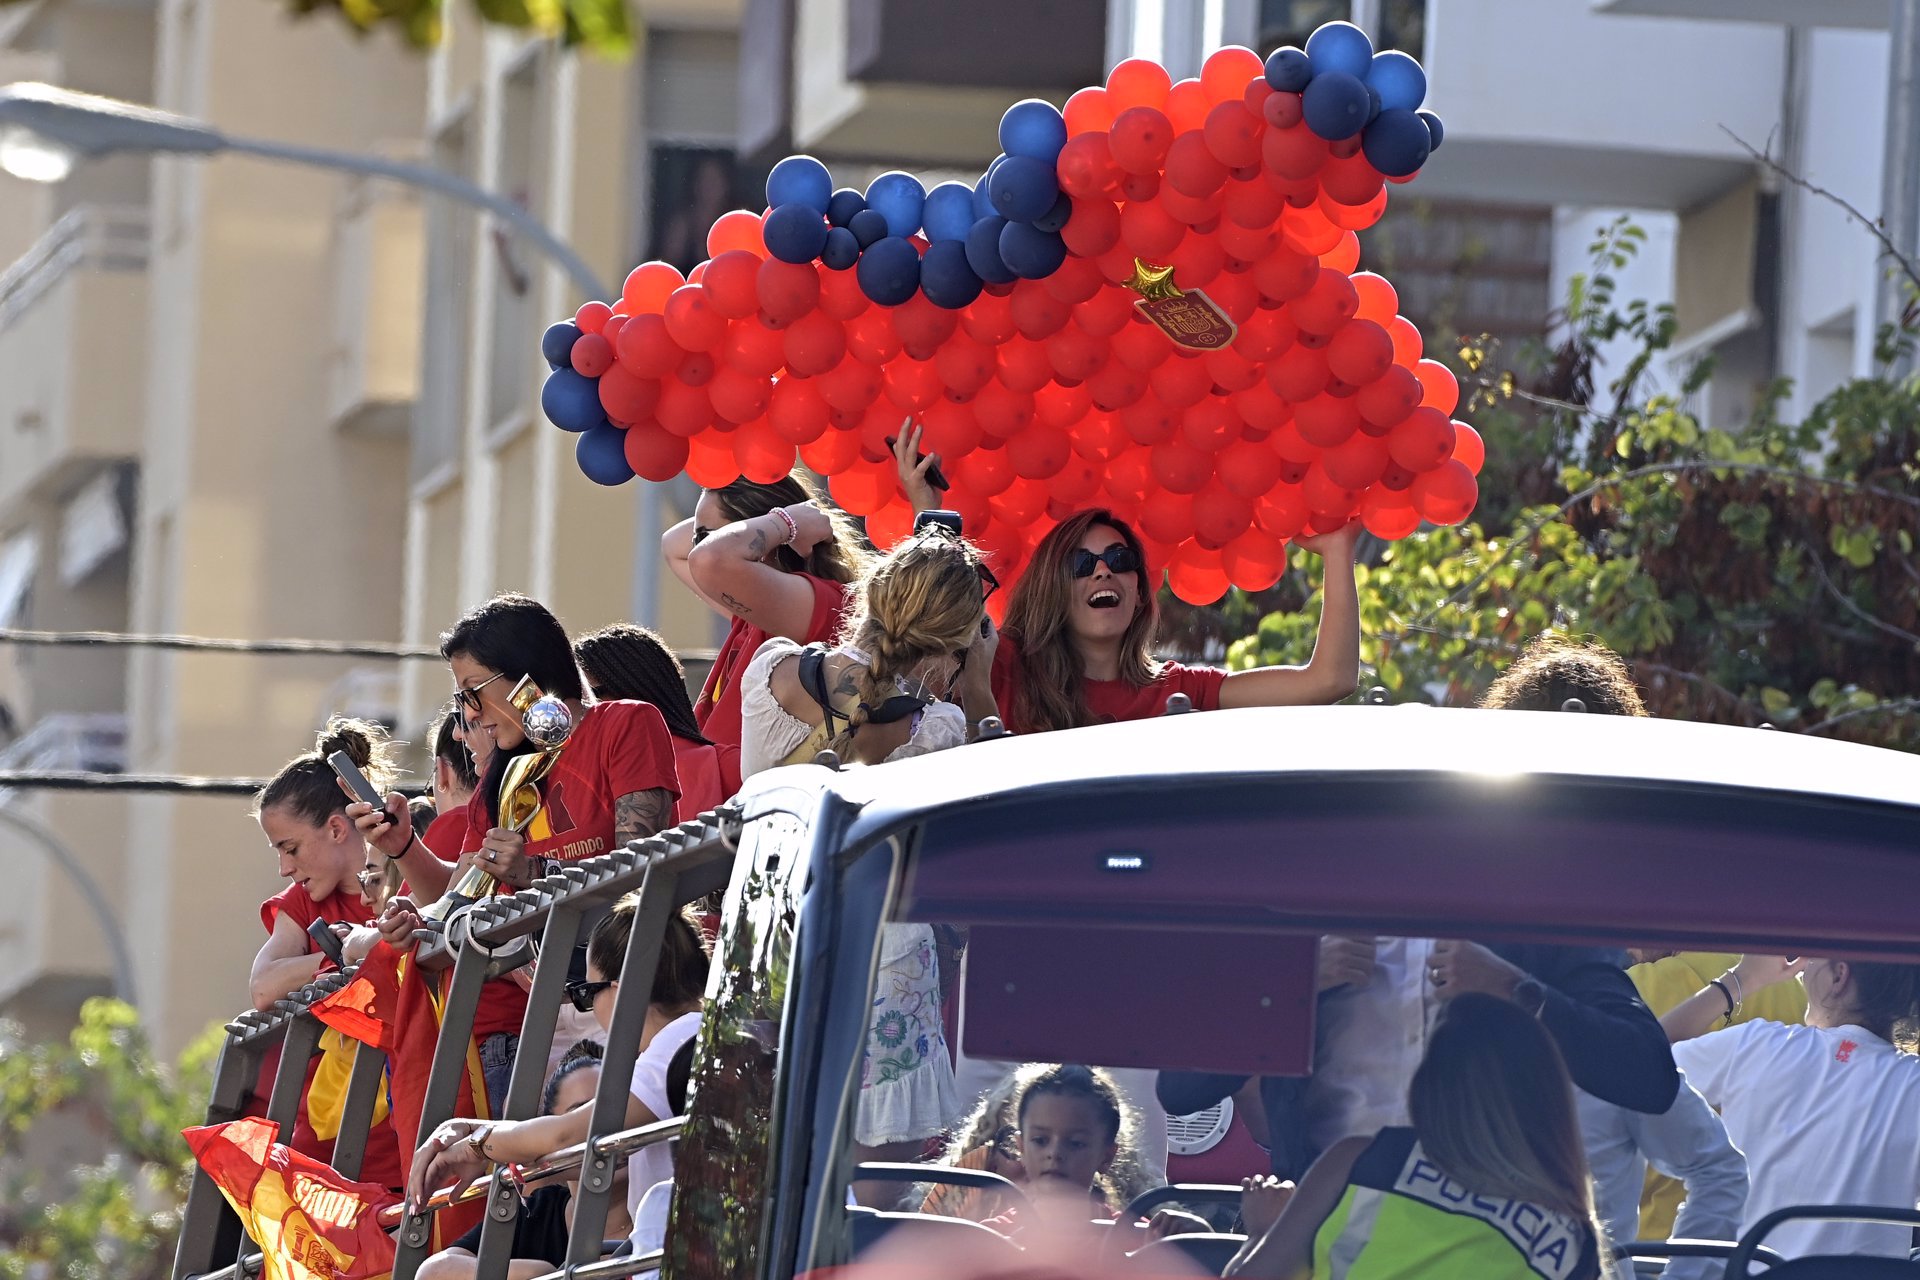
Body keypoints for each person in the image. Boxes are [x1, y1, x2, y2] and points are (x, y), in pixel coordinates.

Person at [737, 526, 997, 1203]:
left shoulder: (770, 673)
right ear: (955, 644)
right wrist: (980, 689)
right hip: (888, 958)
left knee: (758, 1195)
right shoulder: (939, 730)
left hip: (763, 947)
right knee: (869, 1211)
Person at [1225, 994, 1612, 1280]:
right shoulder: (1572, 1240)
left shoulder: (1365, 1159)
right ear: (1548, 1099)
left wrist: (1262, 1231)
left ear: (1430, 1085)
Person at [404, 894, 709, 1243]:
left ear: (621, 993)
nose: (589, 1010)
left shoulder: (675, 1044)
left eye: (585, 994)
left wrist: (477, 1144)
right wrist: (474, 1130)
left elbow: (566, 1134)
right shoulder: (709, 1033)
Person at [992, 507, 1360, 734]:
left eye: (1119, 560)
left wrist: (1337, 549)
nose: (1103, 571)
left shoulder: (1179, 689)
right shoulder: (1001, 665)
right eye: (1079, 564)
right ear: (1050, 588)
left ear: (1138, 592)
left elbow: (1330, 680)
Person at [1662, 954, 1920, 1259]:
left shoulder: (1757, 1045)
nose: (1804, 968)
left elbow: (1643, 1060)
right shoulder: (1912, 1083)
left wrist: (1741, 979)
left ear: (1839, 976)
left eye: (1813, 956)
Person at [248, 717, 405, 1187]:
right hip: (332, 1127)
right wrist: (342, 957)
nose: (283, 868)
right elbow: (262, 986)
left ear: (337, 828)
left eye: (290, 848)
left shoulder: (406, 865)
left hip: (404, 1106)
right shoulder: (304, 902)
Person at [664, 473, 870, 756]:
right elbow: (673, 546)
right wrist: (782, 518)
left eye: (706, 537)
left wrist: (784, 522)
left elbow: (709, 559)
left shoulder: (821, 601)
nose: (696, 546)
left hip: (763, 796)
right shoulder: (757, 608)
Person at [415, 1042, 634, 1280]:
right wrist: (541, 1275)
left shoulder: (664, 1195)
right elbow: (433, 1273)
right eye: (580, 1122)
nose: (607, 1132)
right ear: (544, 1137)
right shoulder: (538, 1211)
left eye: (619, 1113)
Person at [576, 622, 737, 821]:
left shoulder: (735, 770)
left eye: (588, 699)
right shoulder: (572, 779)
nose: (578, 713)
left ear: (630, 693)